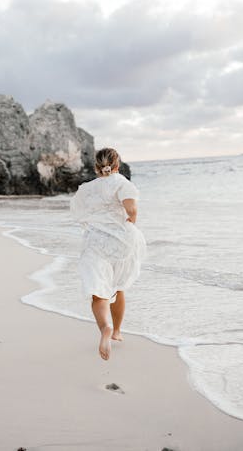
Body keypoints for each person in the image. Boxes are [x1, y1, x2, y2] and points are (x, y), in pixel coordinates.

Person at [69, 147, 146, 360]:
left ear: (96, 167)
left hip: (96, 242)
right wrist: (132, 220)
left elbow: (77, 213)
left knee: (98, 290)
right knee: (118, 286)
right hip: (121, 242)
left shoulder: (87, 188)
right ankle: (118, 332)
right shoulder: (123, 183)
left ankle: (105, 327)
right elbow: (131, 208)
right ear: (117, 165)